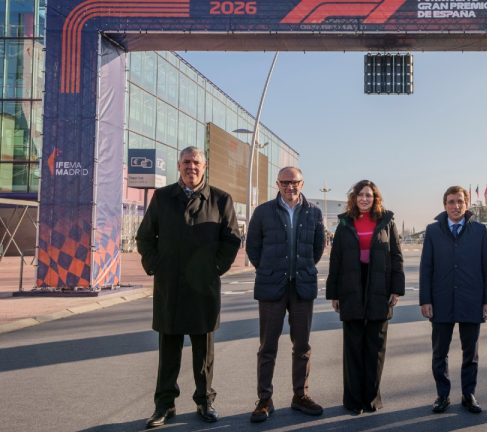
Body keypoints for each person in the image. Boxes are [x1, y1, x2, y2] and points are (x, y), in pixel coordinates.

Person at [136, 146, 241, 428]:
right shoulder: (162, 197)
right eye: (186, 162)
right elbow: (145, 237)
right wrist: (156, 265)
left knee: (203, 353)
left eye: (196, 162)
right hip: (169, 286)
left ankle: (205, 401)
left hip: (203, 288)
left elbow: (232, 240)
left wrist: (215, 268)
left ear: (204, 166)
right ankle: (163, 405)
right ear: (178, 165)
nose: (191, 166)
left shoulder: (220, 199)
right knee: (168, 351)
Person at [246, 166, 326, 423]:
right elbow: (253, 247)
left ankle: (300, 395)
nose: (290, 186)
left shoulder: (314, 212)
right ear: (277, 184)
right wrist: (270, 270)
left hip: (302, 287)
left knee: (301, 345)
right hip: (272, 287)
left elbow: (317, 248)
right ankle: (264, 399)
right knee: (267, 346)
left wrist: (302, 269)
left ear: (302, 183)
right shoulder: (263, 212)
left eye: (295, 182)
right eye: (285, 182)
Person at [326, 179, 405, 415]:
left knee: (376, 346)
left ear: (375, 198)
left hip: (379, 286)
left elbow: (397, 256)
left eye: (368, 195)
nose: (364, 199)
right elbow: (336, 259)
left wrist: (396, 289)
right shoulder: (344, 223)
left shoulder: (387, 222)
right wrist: (334, 293)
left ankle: (371, 398)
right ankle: (352, 400)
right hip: (351, 286)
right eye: (360, 195)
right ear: (354, 198)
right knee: (353, 346)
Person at [419, 186, 487, 414]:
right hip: (441, 301)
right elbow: (426, 268)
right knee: (439, 353)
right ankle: (442, 395)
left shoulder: (480, 231)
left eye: (460, 201)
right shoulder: (433, 231)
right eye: (451, 202)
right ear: (445, 205)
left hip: (471, 299)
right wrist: (425, 300)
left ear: (467, 203)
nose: (456, 206)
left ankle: (468, 394)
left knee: (470, 353)